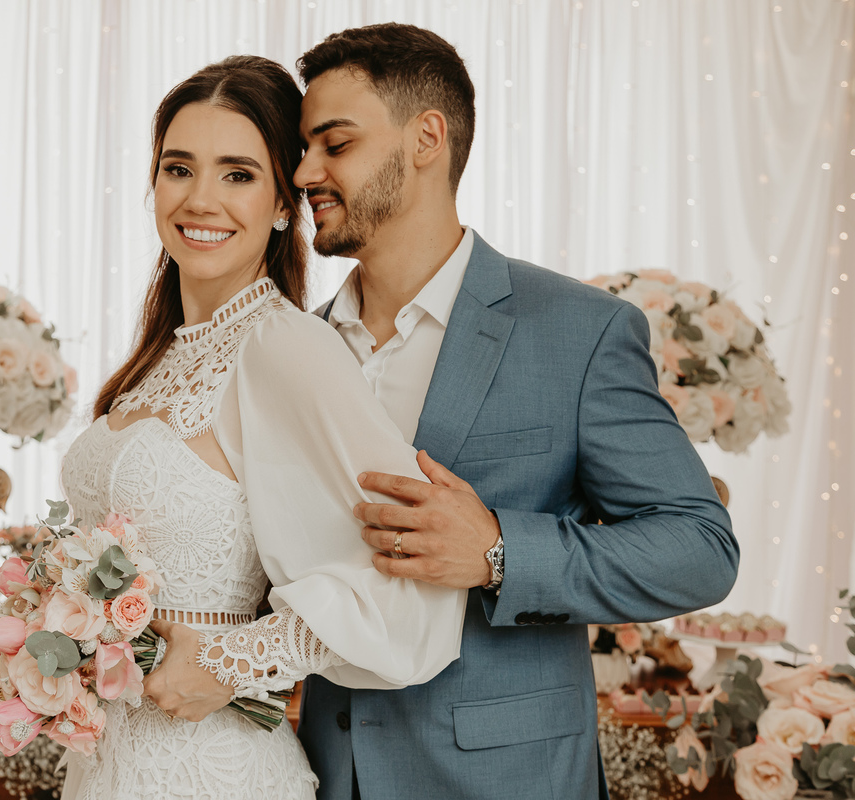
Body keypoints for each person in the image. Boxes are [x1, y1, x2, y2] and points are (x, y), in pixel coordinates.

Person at [289, 23, 740, 799]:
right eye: (304, 148)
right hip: (327, 774)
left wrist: (499, 552)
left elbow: (701, 549)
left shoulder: (581, 332)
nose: (304, 172)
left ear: (427, 138)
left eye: (335, 143)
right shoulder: (298, 346)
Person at [57, 55, 467, 800]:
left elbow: (410, 589)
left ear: (284, 202)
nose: (200, 199)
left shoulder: (285, 345)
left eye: (238, 174)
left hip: (214, 768)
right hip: (110, 761)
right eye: (179, 168)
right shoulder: (157, 359)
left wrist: (229, 663)